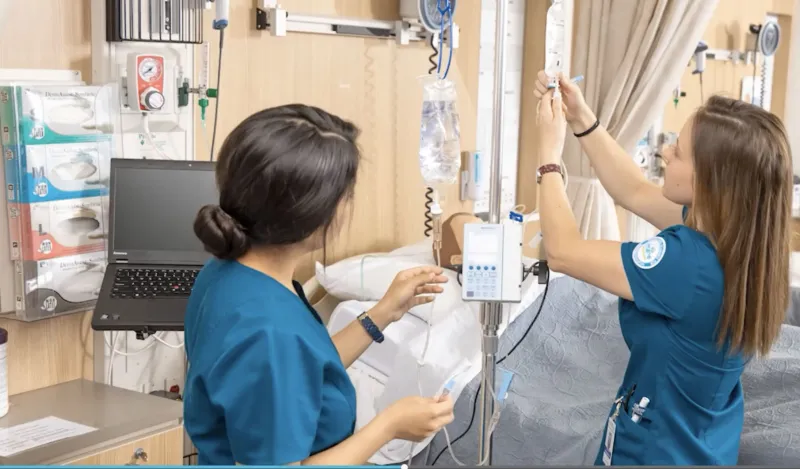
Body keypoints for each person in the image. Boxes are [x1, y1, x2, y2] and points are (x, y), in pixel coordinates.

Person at [531, 71, 792, 465]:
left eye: (680, 152)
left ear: (711, 179)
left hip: (655, 453)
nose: (665, 153)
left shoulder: (685, 265)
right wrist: (581, 118)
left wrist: (548, 158)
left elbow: (564, 252)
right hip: (703, 448)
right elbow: (633, 190)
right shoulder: (739, 238)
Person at [183, 104, 455, 466]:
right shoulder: (269, 330)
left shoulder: (227, 272)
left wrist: (383, 313)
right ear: (313, 214)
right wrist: (389, 425)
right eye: (347, 197)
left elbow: (301, 371)